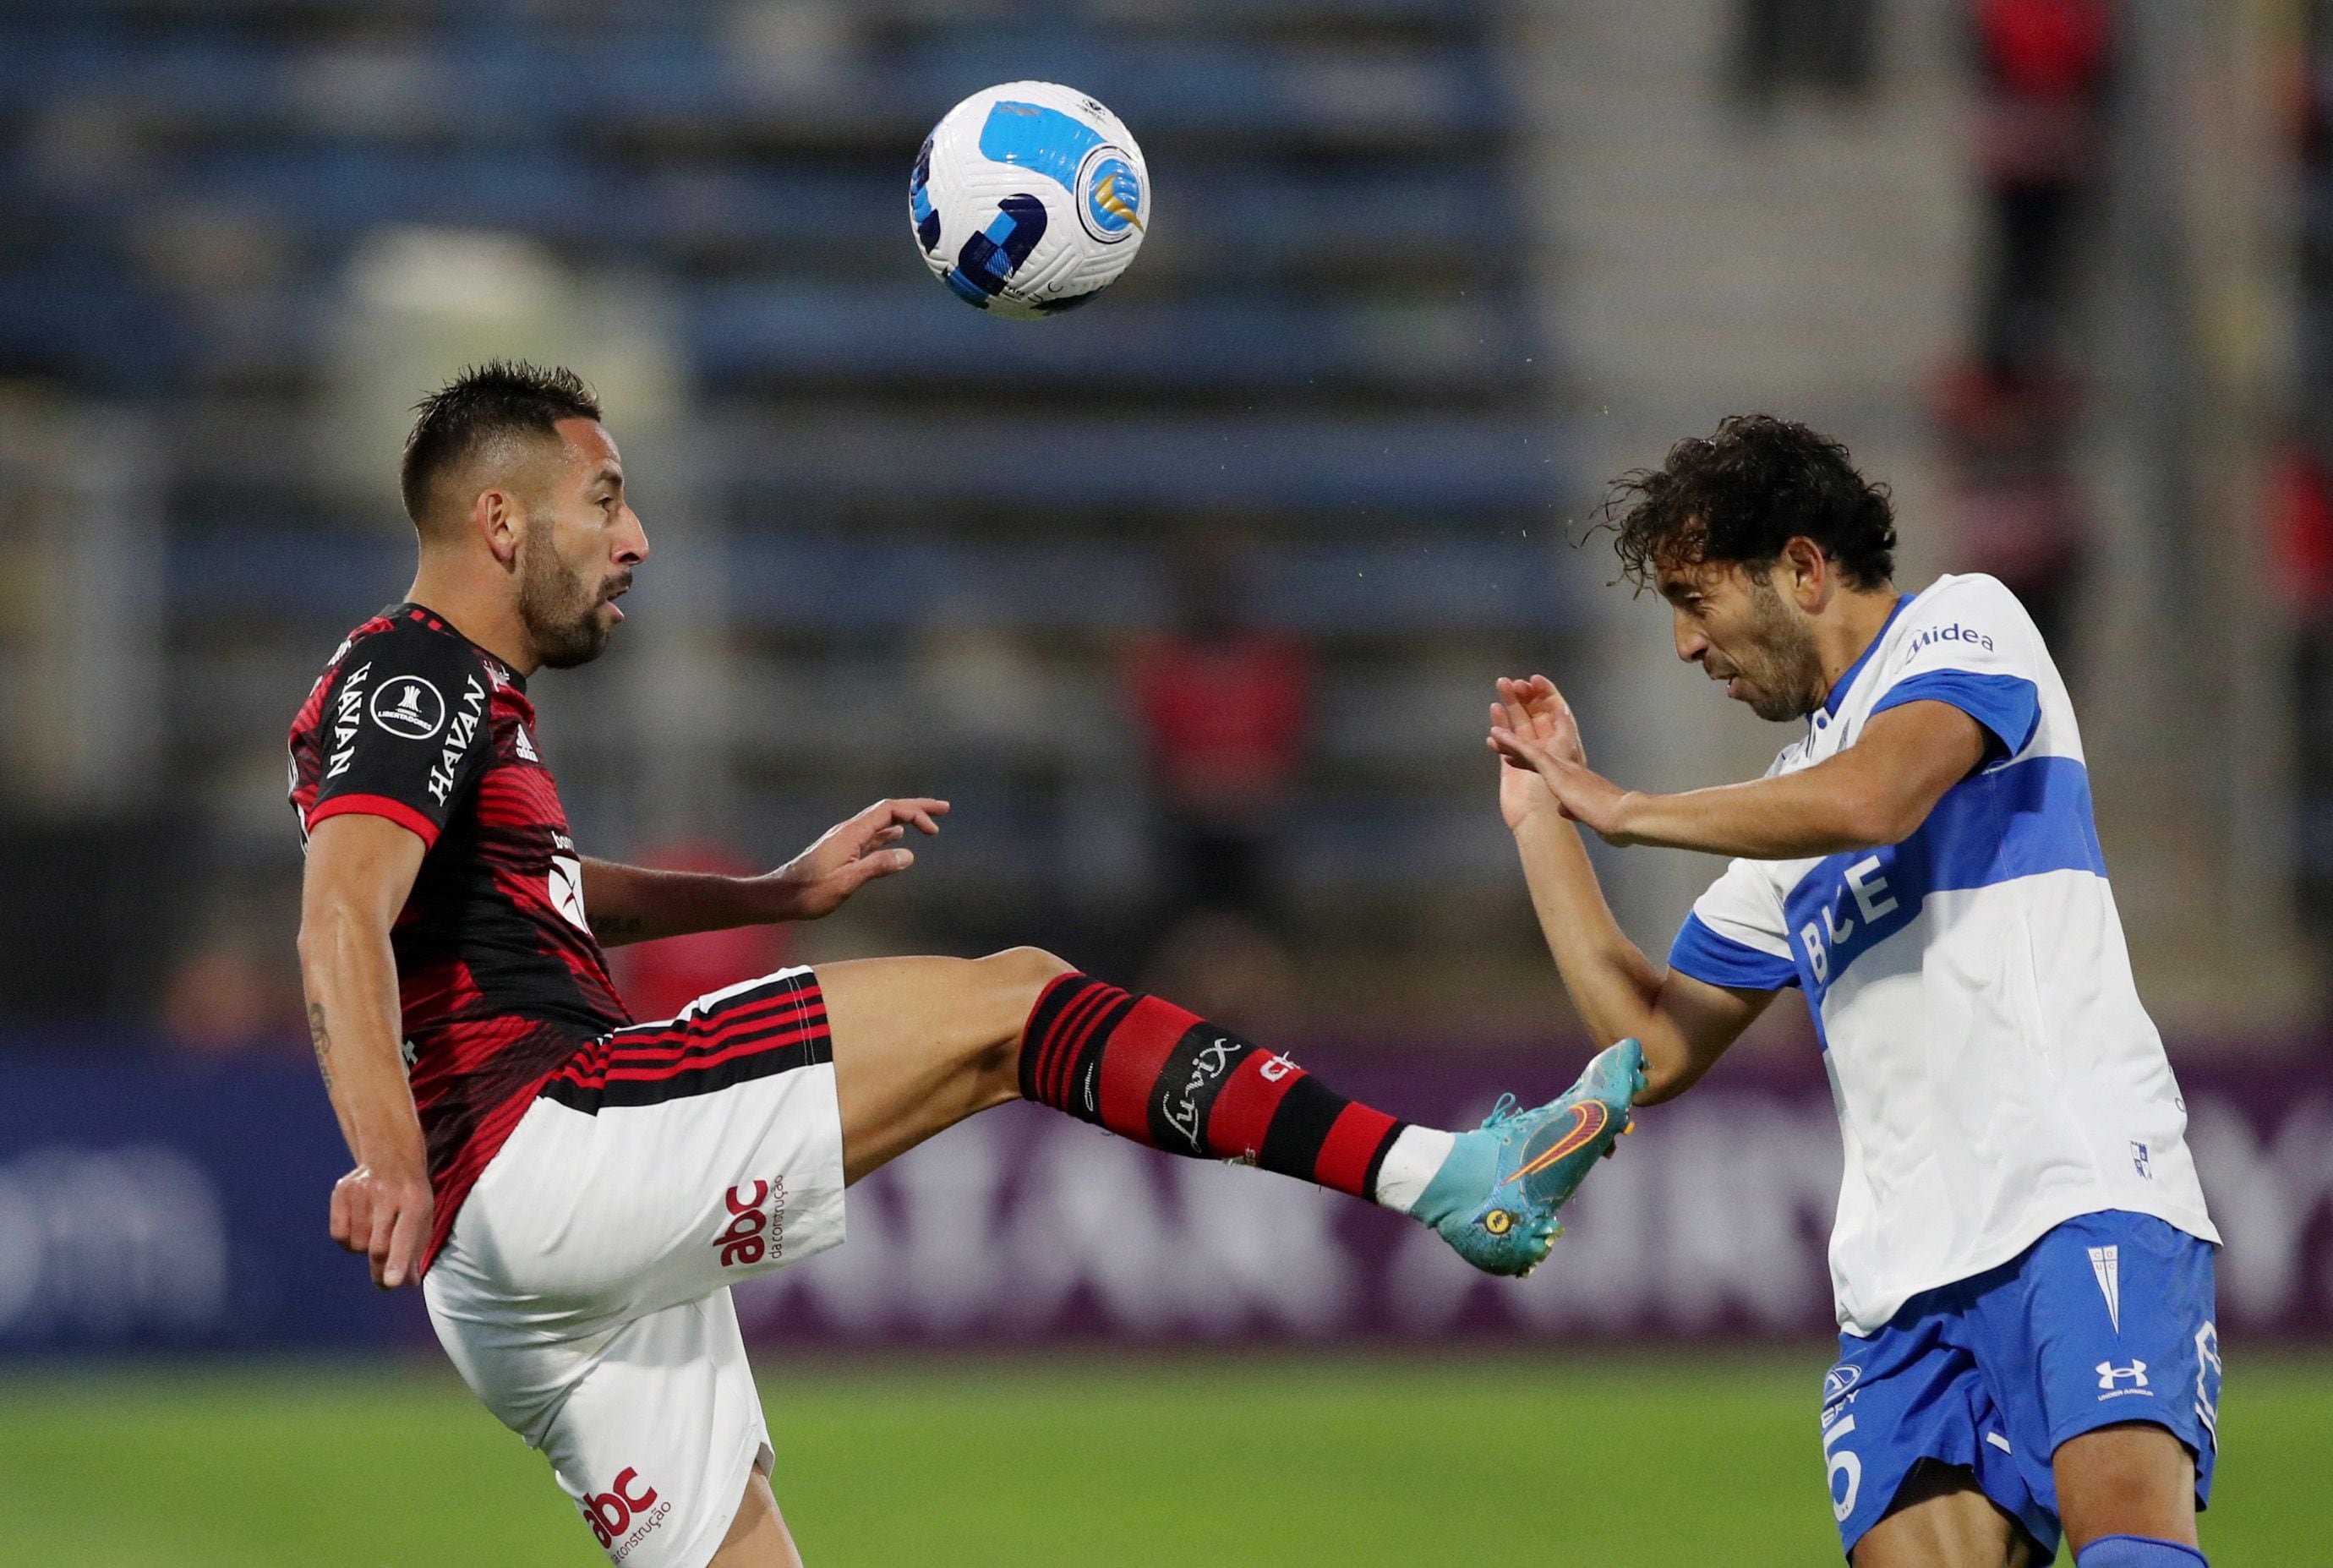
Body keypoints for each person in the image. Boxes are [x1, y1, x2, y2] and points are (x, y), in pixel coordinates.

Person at [286, 361, 1643, 1568]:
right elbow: (341, 911)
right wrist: (388, 1153)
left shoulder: (459, 703)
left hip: (511, 1269)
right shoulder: (416, 675)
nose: (634, 537)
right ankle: (1445, 1177)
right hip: (539, 1144)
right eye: (605, 498)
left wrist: (771, 893)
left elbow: (533, 899)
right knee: (1017, 1006)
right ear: (503, 522)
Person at [1486, 415, 2220, 1568]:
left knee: (2131, 1551)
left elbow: (1878, 797)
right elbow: (1652, 1045)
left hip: (2074, 1196)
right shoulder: (1787, 811)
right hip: (1900, 1283)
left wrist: (1626, 809)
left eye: (1696, 598)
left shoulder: (1967, 625)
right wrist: (1546, 823)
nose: (1685, 645)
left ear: (1803, 568)